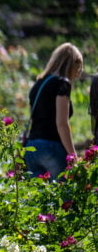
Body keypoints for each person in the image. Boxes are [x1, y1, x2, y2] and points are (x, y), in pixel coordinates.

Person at [23, 43, 83, 180]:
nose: (77, 74)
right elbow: (62, 124)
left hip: (32, 148)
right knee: (63, 198)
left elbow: (34, 118)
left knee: (40, 198)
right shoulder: (62, 83)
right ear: (73, 64)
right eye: (77, 68)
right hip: (51, 147)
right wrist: (73, 156)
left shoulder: (38, 84)